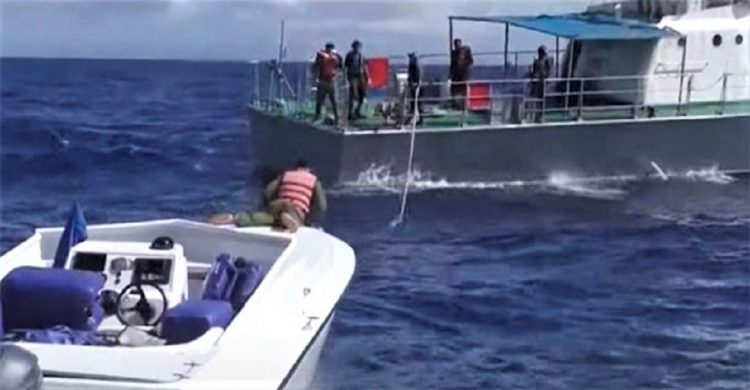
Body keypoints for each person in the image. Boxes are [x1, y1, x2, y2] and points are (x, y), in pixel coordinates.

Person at [208, 160, 327, 232]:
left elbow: (268, 192)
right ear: (309, 170)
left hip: (278, 203)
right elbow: (321, 206)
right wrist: (311, 218)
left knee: (266, 218)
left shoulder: (285, 175)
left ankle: (233, 218)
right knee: (292, 220)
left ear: (295, 168)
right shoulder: (314, 180)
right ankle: (288, 220)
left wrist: (268, 205)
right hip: (293, 208)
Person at [313, 43, 342, 125]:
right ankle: (317, 116)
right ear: (326, 48)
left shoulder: (336, 57)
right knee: (320, 100)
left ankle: (337, 118)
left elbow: (339, 66)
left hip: (331, 81)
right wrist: (316, 78)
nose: (330, 50)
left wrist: (336, 73)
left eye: (331, 49)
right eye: (328, 48)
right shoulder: (321, 56)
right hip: (322, 81)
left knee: (334, 101)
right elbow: (316, 67)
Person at [344, 40, 369, 121]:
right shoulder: (349, 55)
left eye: (358, 46)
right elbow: (346, 67)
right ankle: (349, 113)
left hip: (361, 77)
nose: (357, 48)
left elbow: (365, 67)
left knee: (362, 94)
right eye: (356, 46)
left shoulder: (361, 56)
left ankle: (357, 111)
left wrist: (367, 77)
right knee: (353, 95)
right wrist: (346, 78)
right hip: (352, 77)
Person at [529, 45, 553, 122]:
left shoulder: (546, 60)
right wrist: (532, 75)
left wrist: (544, 77)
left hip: (543, 82)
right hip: (536, 83)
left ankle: (541, 115)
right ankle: (534, 115)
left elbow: (548, 71)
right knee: (535, 99)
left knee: (542, 99)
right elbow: (534, 71)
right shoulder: (536, 61)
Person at [449, 38, 473, 109]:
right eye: (455, 44)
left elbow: (470, 62)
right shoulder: (453, 53)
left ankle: (464, 105)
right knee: (453, 89)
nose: (457, 46)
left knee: (464, 90)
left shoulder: (466, 51)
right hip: (456, 75)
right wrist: (450, 75)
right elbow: (452, 65)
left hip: (463, 75)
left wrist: (466, 69)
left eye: (458, 44)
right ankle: (455, 103)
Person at [406, 52, 423, 125]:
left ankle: (421, 119)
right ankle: (411, 118)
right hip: (412, 87)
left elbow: (418, 76)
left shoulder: (416, 66)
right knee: (413, 104)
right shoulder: (411, 66)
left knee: (418, 104)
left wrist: (417, 84)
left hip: (417, 87)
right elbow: (410, 76)